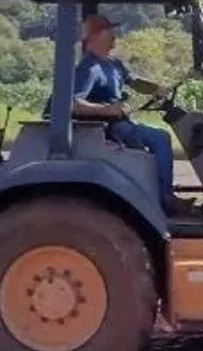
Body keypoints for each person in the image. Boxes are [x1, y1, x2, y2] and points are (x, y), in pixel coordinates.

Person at [73, 14, 177, 213]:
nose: (114, 34)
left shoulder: (113, 63)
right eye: (109, 30)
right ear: (95, 36)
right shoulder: (88, 68)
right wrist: (108, 110)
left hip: (121, 123)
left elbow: (134, 81)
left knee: (150, 144)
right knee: (161, 138)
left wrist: (156, 87)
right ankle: (165, 198)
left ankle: (156, 194)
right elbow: (73, 104)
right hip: (107, 128)